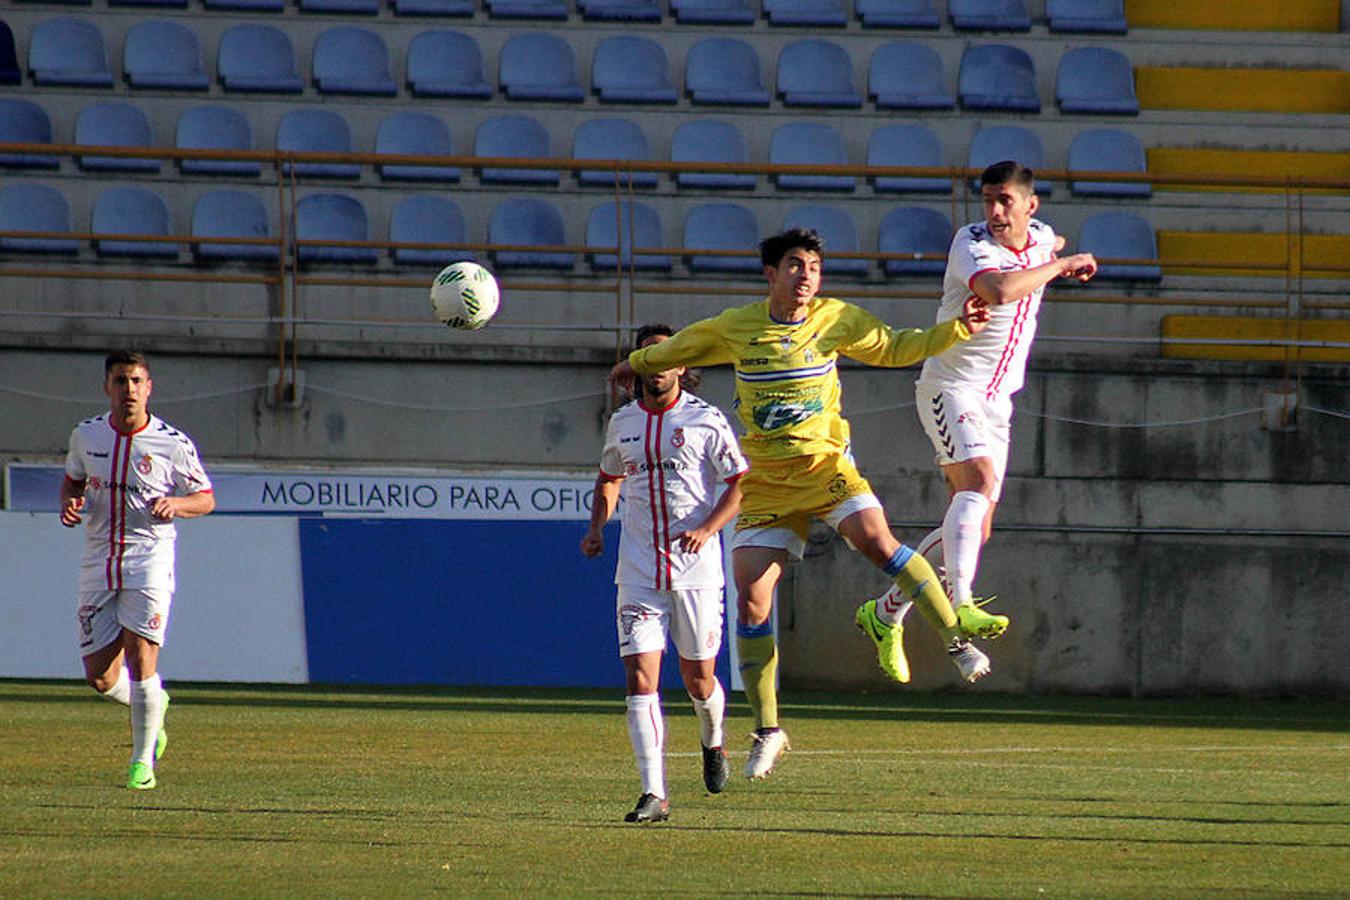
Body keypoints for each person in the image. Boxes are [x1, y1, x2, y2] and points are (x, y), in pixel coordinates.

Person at [608, 229, 996, 782]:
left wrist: (957, 328)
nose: (807, 275)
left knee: (881, 544)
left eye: (814, 265)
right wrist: (637, 362)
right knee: (751, 599)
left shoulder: (836, 318)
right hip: (767, 484)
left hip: (825, 470)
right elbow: (677, 350)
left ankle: (955, 642)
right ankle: (768, 730)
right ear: (771, 274)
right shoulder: (738, 326)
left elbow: (897, 346)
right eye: (795, 265)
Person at [864, 160, 1098, 675]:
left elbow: (1049, 240)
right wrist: (1062, 264)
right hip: (950, 387)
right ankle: (964, 605)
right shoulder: (970, 243)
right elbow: (998, 291)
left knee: (974, 525)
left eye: (1004, 201)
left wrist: (1064, 253)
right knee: (979, 482)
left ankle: (886, 612)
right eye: (988, 200)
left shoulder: (1038, 236)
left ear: (1028, 205)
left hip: (998, 402)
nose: (993, 211)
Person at [582, 324, 749, 823]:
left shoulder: (705, 420)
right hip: (636, 570)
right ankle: (654, 793)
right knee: (640, 679)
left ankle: (713, 739)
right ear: (639, 367)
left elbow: (740, 482)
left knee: (699, 678)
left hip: (696, 571)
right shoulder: (623, 422)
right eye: (648, 358)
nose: (658, 367)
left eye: (667, 357)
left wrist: (709, 528)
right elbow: (609, 476)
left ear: (681, 367)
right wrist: (596, 528)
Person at [60, 350, 215, 790]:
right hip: (97, 558)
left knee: (141, 656)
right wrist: (68, 503)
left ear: (149, 388)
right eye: (120, 381)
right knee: (100, 675)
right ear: (107, 387)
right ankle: (154, 704)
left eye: (136, 381)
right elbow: (73, 478)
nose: (129, 389)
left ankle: (141, 763)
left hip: (149, 557)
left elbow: (205, 497)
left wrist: (178, 504)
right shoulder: (85, 436)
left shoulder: (172, 443)